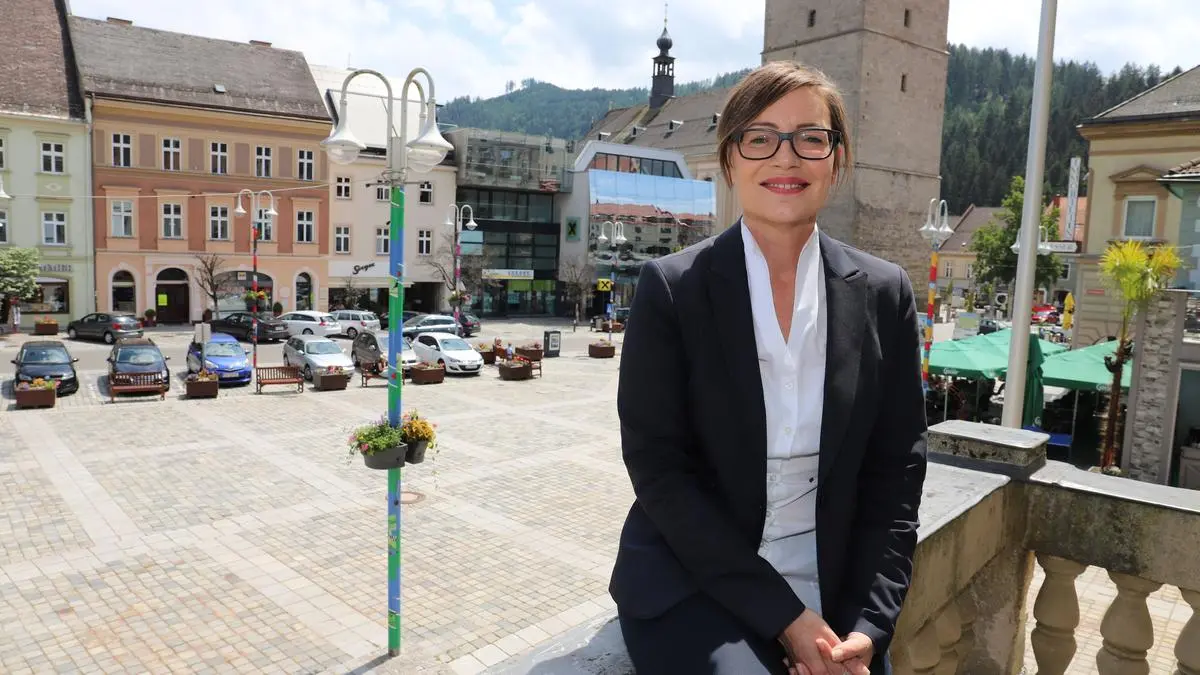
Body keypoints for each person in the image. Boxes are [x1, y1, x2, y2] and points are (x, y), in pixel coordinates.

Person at [610, 61, 928, 675]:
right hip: (695, 580)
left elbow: (897, 474)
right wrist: (787, 618)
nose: (786, 158)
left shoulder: (886, 293)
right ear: (730, 160)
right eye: (760, 138)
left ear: (837, 162)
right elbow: (660, 475)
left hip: (835, 581)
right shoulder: (672, 290)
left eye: (811, 137)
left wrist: (870, 625)